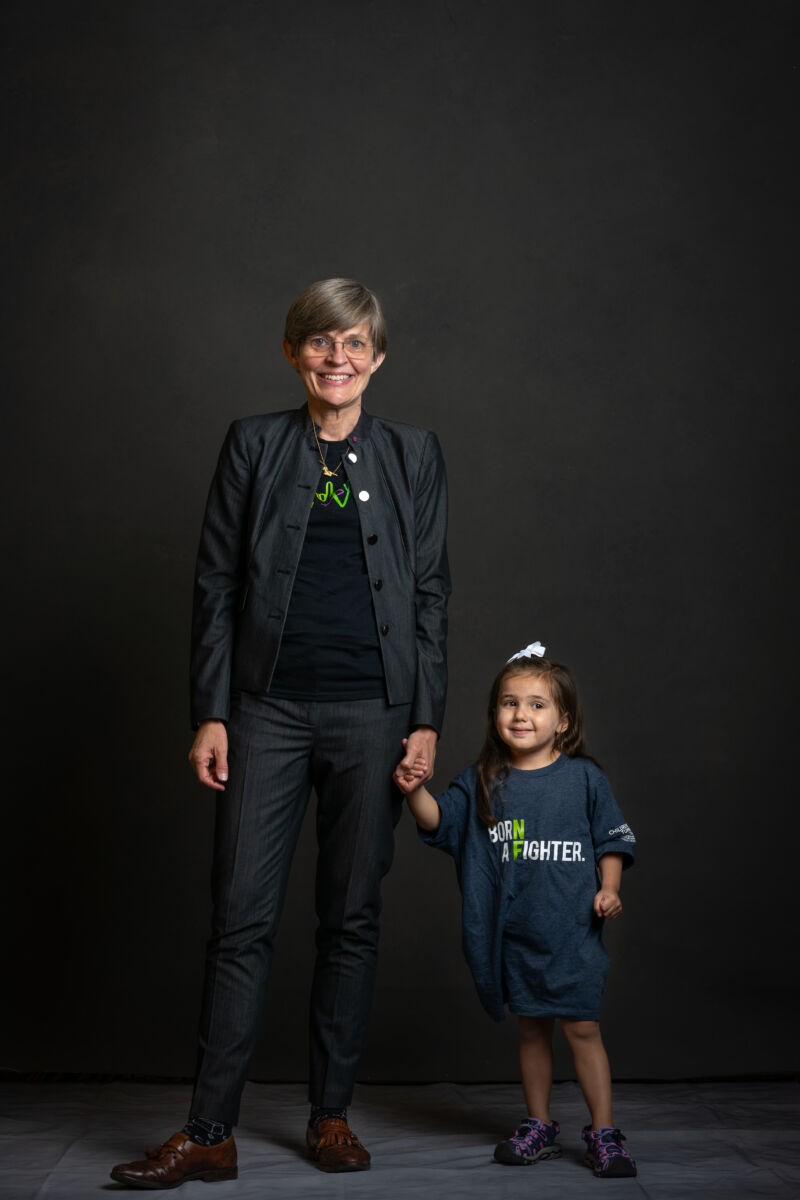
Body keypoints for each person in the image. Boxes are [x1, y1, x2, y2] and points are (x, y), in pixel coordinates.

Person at [110, 278, 450, 1188]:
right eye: (319, 343)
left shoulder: (415, 455)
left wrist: (425, 718)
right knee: (240, 919)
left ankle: (331, 1117)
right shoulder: (254, 445)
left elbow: (429, 597)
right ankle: (209, 1130)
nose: (336, 359)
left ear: (377, 357)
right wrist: (211, 711)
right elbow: (215, 583)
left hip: (374, 714)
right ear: (295, 352)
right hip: (264, 709)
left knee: (351, 920)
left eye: (354, 345)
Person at [395, 642, 637, 1179]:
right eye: (509, 702)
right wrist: (415, 790)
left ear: (563, 720)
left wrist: (611, 887)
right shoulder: (484, 781)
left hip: (572, 936)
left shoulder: (585, 780)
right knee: (532, 1032)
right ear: (494, 714)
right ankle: (539, 1125)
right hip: (517, 940)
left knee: (582, 1032)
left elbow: (611, 840)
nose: (521, 714)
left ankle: (603, 1132)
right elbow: (441, 822)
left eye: (536, 704)